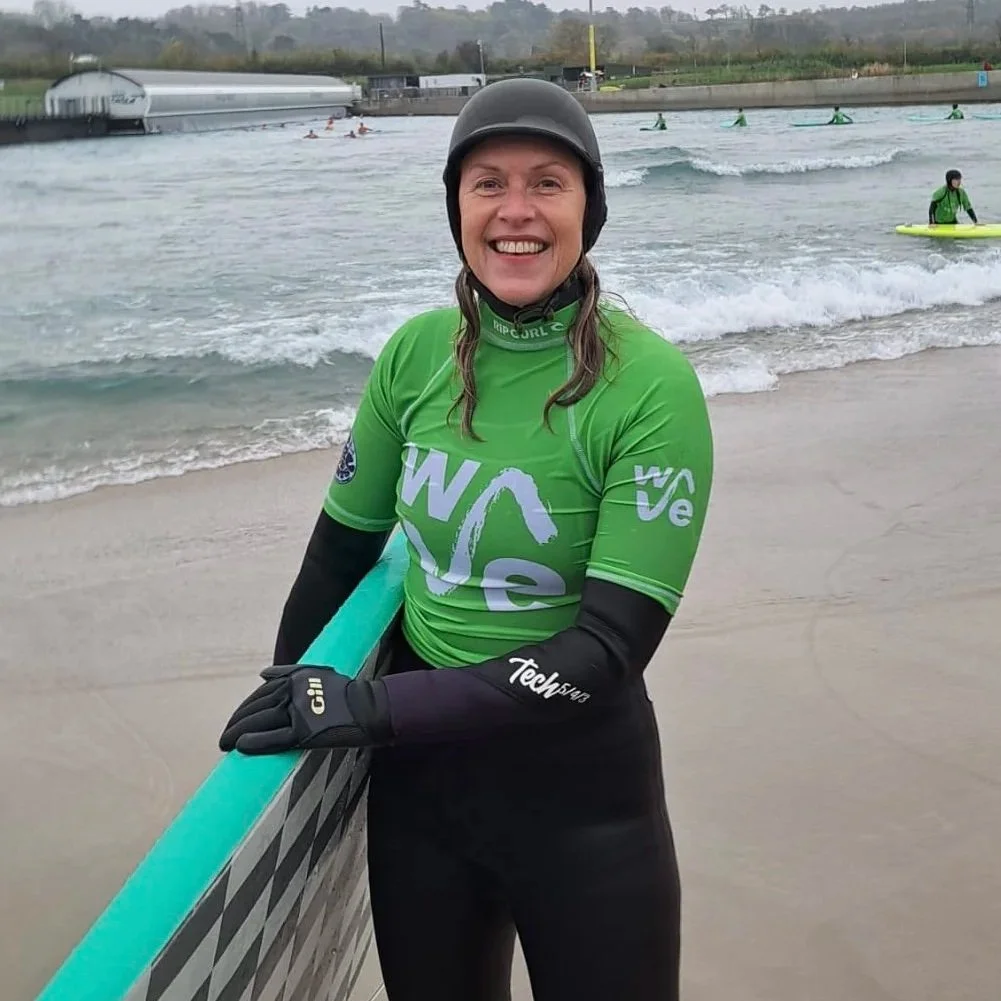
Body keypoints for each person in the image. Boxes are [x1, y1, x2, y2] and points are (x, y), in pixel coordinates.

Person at [219, 78, 714, 1001]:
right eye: (487, 183)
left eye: (547, 184)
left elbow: (602, 650)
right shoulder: (413, 356)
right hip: (420, 810)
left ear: (587, 207)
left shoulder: (651, 388)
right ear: (455, 205)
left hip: (584, 811)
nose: (515, 212)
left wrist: (368, 712)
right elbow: (335, 555)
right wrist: (290, 697)